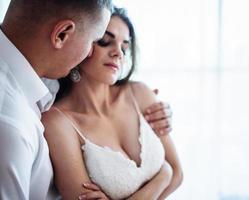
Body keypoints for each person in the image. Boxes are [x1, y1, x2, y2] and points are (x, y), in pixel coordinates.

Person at [42, 7, 183, 200]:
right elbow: (169, 171)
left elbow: (177, 173)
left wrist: (169, 173)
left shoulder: (140, 94)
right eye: (105, 41)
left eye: (124, 47)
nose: (118, 53)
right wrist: (162, 176)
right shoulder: (57, 123)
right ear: (83, 42)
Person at [0, 0, 112, 199]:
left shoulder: (38, 79)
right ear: (61, 34)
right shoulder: (11, 124)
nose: (89, 53)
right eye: (94, 41)